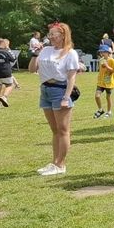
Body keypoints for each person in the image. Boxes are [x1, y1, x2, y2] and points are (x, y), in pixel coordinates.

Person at [26, 23, 79, 176]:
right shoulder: (46, 50)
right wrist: (35, 54)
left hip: (60, 90)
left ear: (63, 35)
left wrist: (66, 97)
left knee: (63, 130)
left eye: (53, 34)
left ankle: (61, 164)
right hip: (45, 90)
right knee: (54, 130)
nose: (50, 37)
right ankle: (55, 162)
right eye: (49, 34)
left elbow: (71, 78)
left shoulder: (70, 53)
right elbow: (31, 70)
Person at [94, 44, 114, 119]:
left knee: (108, 97)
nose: (102, 53)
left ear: (108, 53)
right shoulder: (101, 60)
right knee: (97, 96)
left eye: (104, 52)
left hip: (109, 83)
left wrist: (107, 66)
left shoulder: (112, 60)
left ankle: (109, 112)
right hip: (101, 82)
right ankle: (100, 110)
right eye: (101, 52)